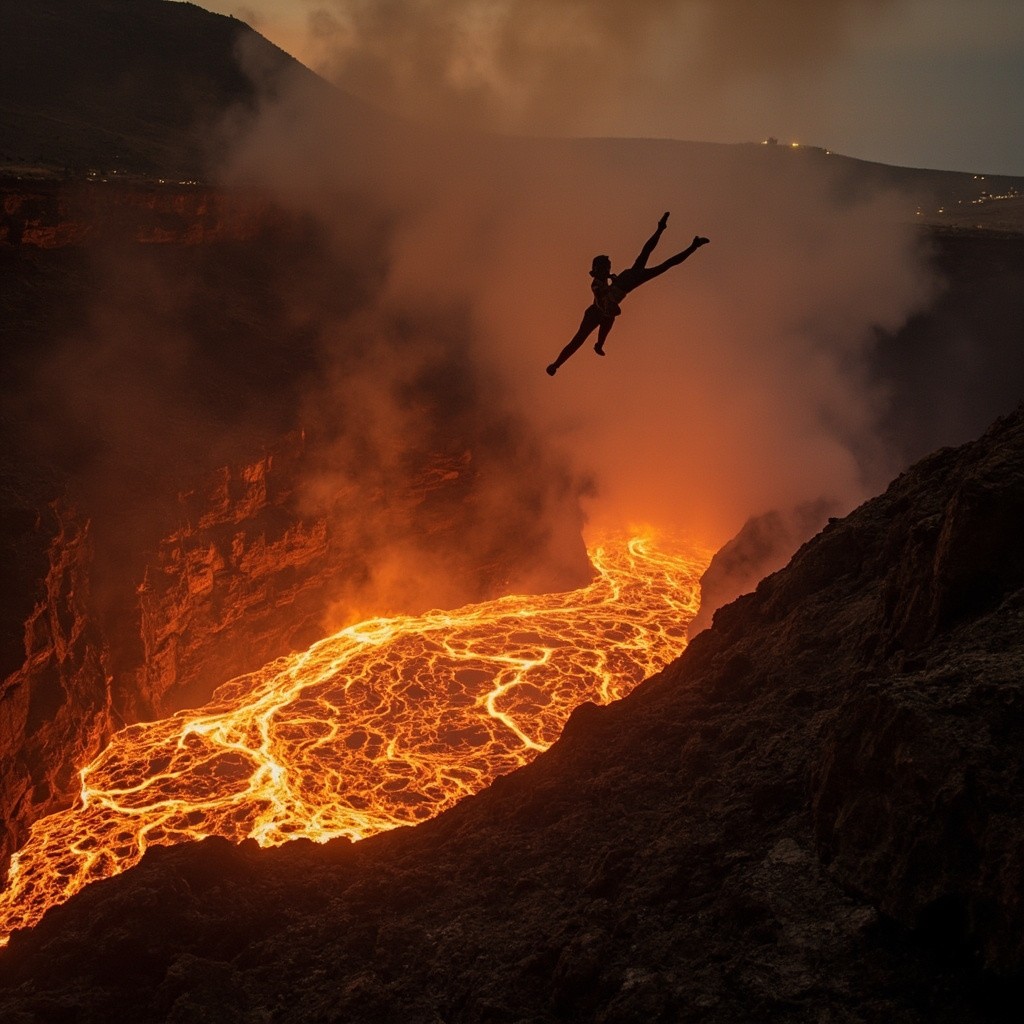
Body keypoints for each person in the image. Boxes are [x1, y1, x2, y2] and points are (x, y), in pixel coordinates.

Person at [546, 212, 709, 375]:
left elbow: (606, 295)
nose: (608, 270)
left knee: (658, 263)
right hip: (598, 311)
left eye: (608, 268)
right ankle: (559, 363)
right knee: (580, 339)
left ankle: (678, 238)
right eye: (605, 268)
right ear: (597, 270)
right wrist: (609, 303)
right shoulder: (597, 283)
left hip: (624, 287)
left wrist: (610, 290)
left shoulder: (609, 280)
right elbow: (600, 298)